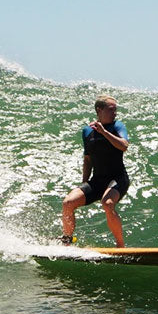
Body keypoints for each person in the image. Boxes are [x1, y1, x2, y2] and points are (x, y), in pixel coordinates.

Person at [61, 95, 130, 247]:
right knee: (68, 203)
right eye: (111, 110)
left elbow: (124, 146)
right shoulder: (87, 131)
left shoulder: (118, 126)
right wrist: (85, 182)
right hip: (97, 181)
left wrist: (104, 132)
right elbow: (87, 159)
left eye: (115, 110)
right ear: (99, 110)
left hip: (117, 179)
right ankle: (67, 241)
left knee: (107, 203)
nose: (115, 113)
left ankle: (120, 246)